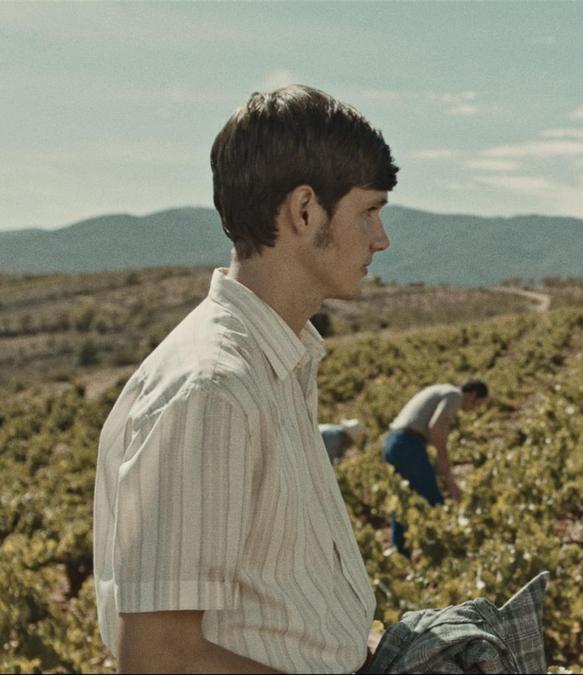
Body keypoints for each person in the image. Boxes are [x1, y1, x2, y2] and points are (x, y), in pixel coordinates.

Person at [93, 84, 397, 673]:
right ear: (305, 211)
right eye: (370, 210)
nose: (380, 238)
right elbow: (162, 661)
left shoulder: (277, 363)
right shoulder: (213, 391)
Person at [384, 378, 489, 553]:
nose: (474, 409)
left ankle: (400, 549)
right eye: (477, 404)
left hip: (393, 443)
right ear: (472, 395)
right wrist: (443, 459)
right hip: (408, 444)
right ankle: (444, 550)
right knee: (433, 499)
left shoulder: (441, 389)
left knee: (405, 498)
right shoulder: (455, 395)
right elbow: (436, 429)